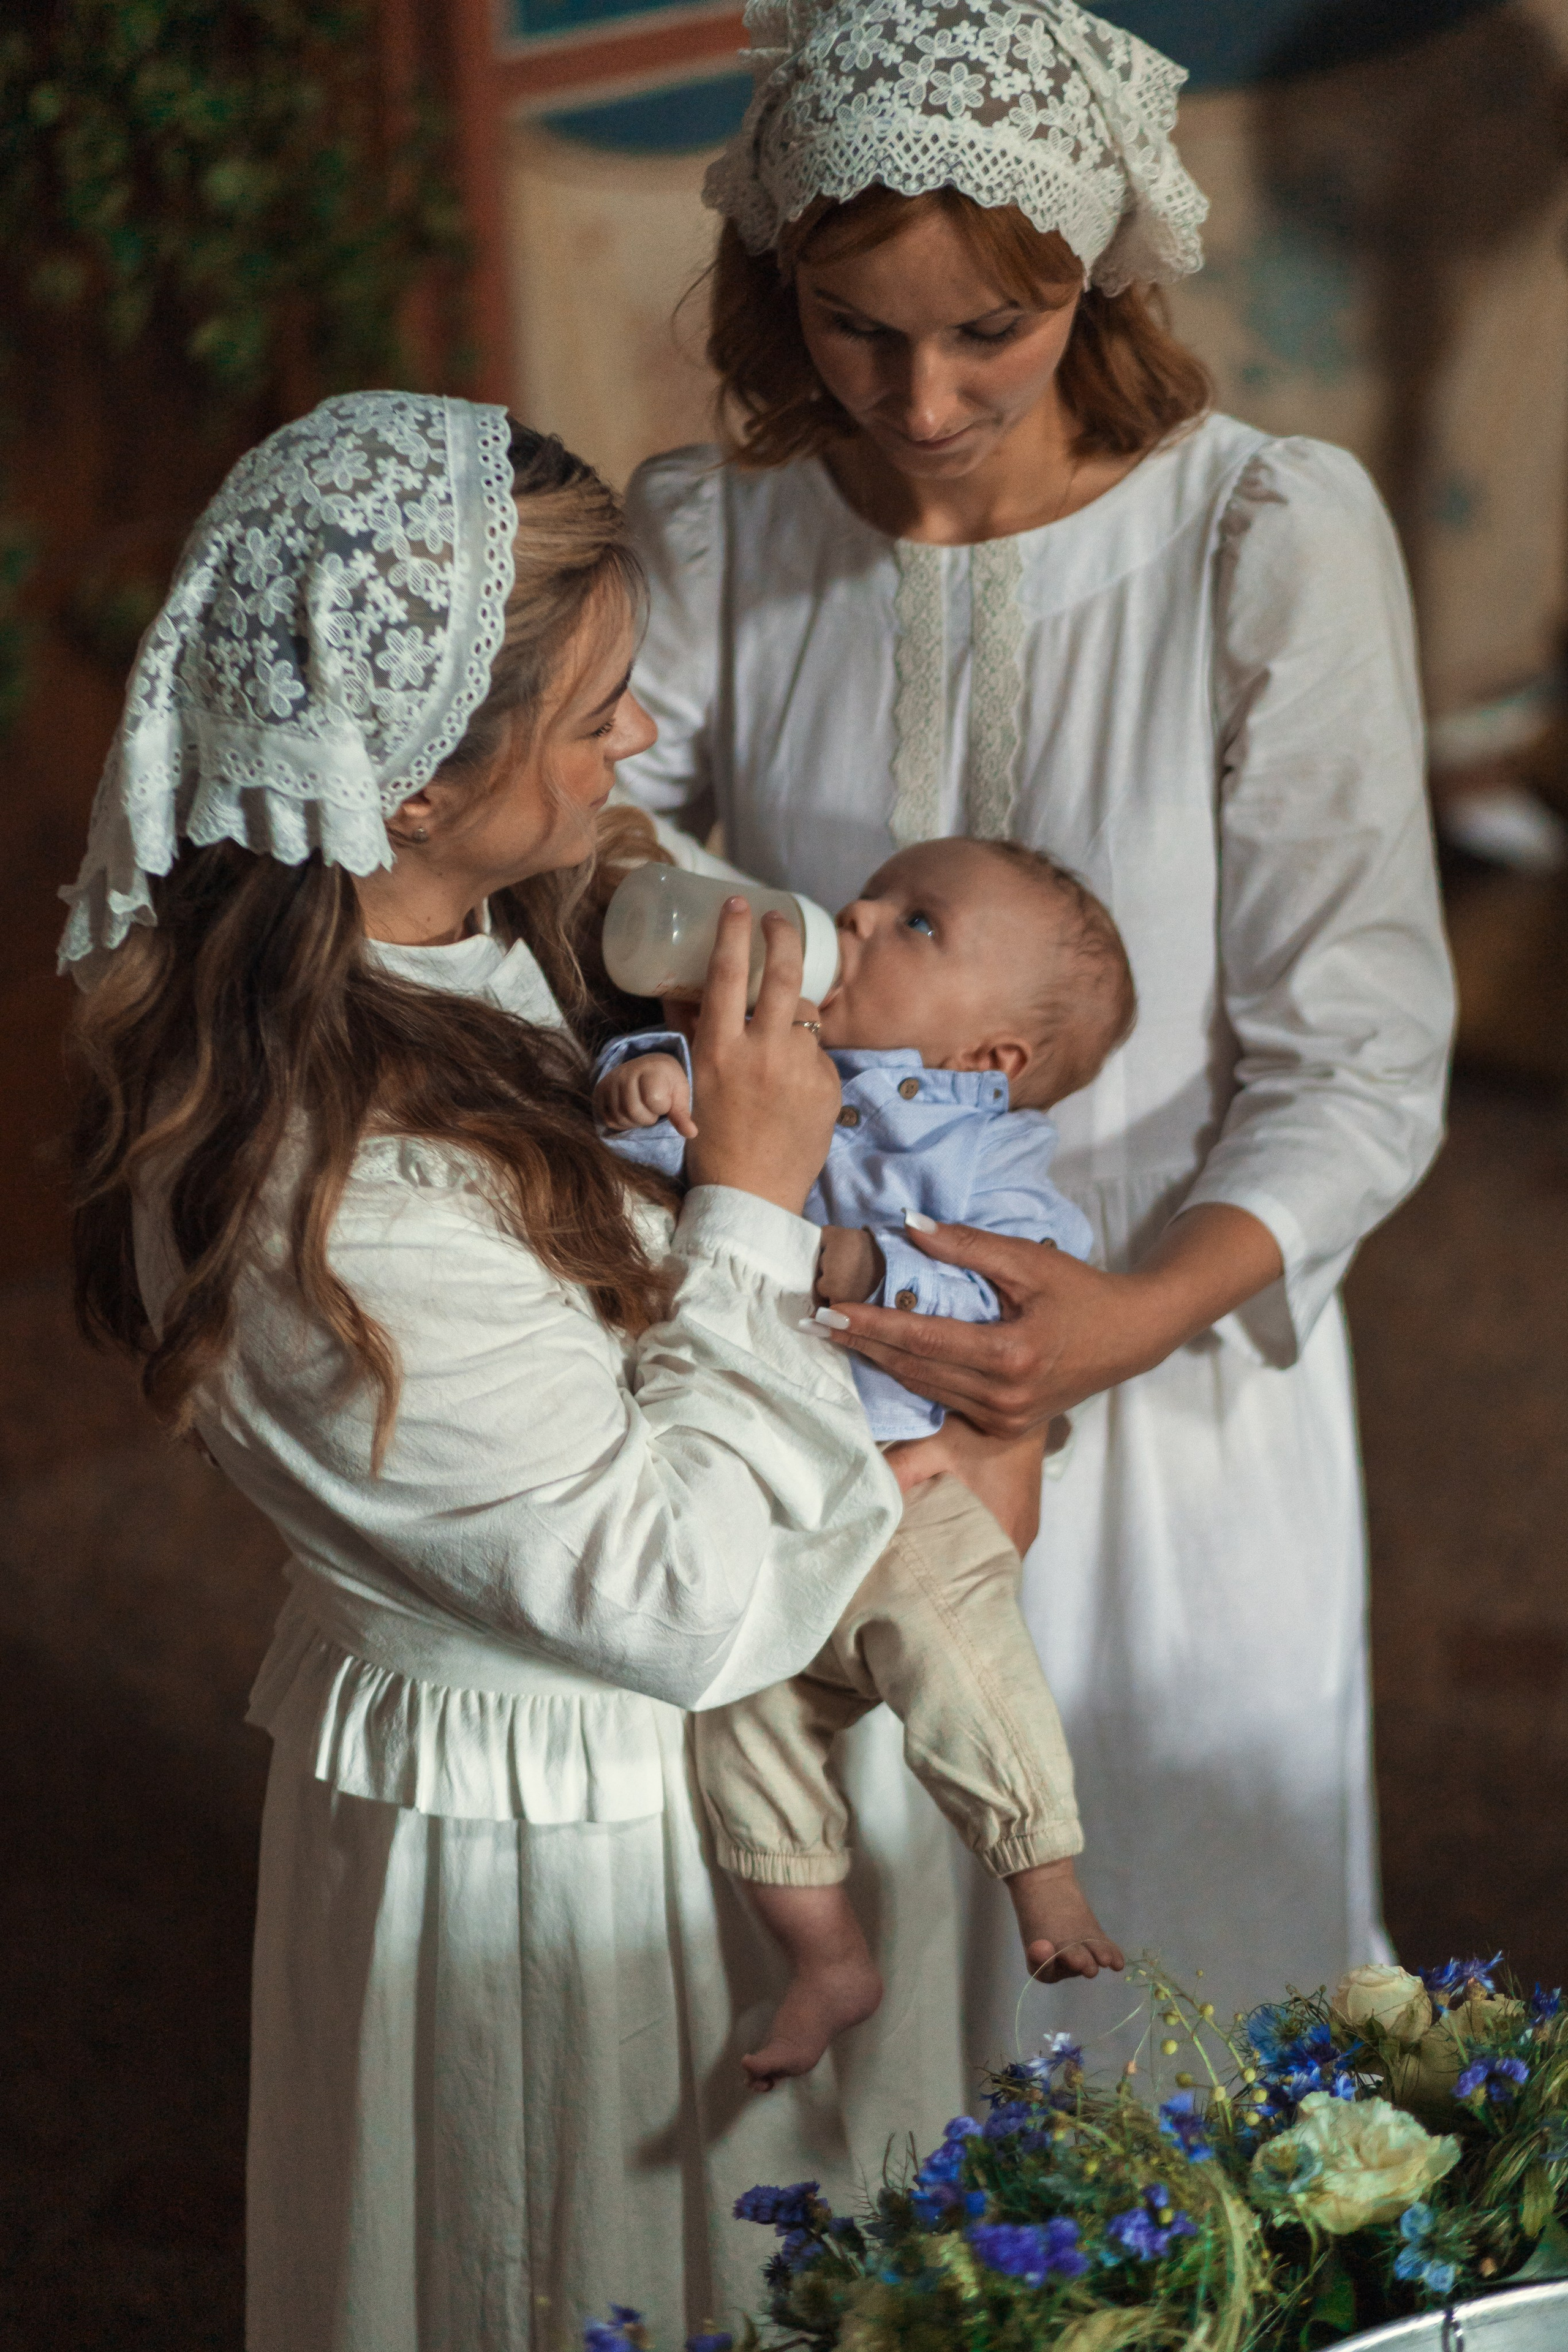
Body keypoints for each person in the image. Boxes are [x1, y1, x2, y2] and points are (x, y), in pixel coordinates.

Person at [58, 393, 976, 2350]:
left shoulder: (473, 938)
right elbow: (677, 1598)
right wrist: (745, 1198)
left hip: (656, 1768)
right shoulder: (336, 1182)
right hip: (551, 1837)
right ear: (402, 788)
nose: (636, 751)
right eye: (594, 718)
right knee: (581, 2257)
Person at [612, 0, 1457, 2071]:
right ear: (772, 281)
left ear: (1102, 270)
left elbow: (1360, 1048)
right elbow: (606, 874)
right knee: (843, 1960)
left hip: (1174, 1380)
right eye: (855, 329)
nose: (923, 397)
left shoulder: (1267, 540)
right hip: (836, 1375)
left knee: (1176, 1982)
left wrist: (1130, 1316)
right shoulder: (725, 539)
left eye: (996, 328)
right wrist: (760, 976)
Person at [594, 836, 1133, 2089]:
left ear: (992, 1057)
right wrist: (646, 1086)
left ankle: (1039, 1869)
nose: (857, 912)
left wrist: (868, 1266)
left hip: (903, 1482)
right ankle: (825, 1952)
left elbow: (1012, 1290)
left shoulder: (990, 1157)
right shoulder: (773, 1045)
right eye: (876, 895)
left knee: (957, 1645)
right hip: (757, 1482)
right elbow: (666, 1126)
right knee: (735, 1710)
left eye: (917, 926)